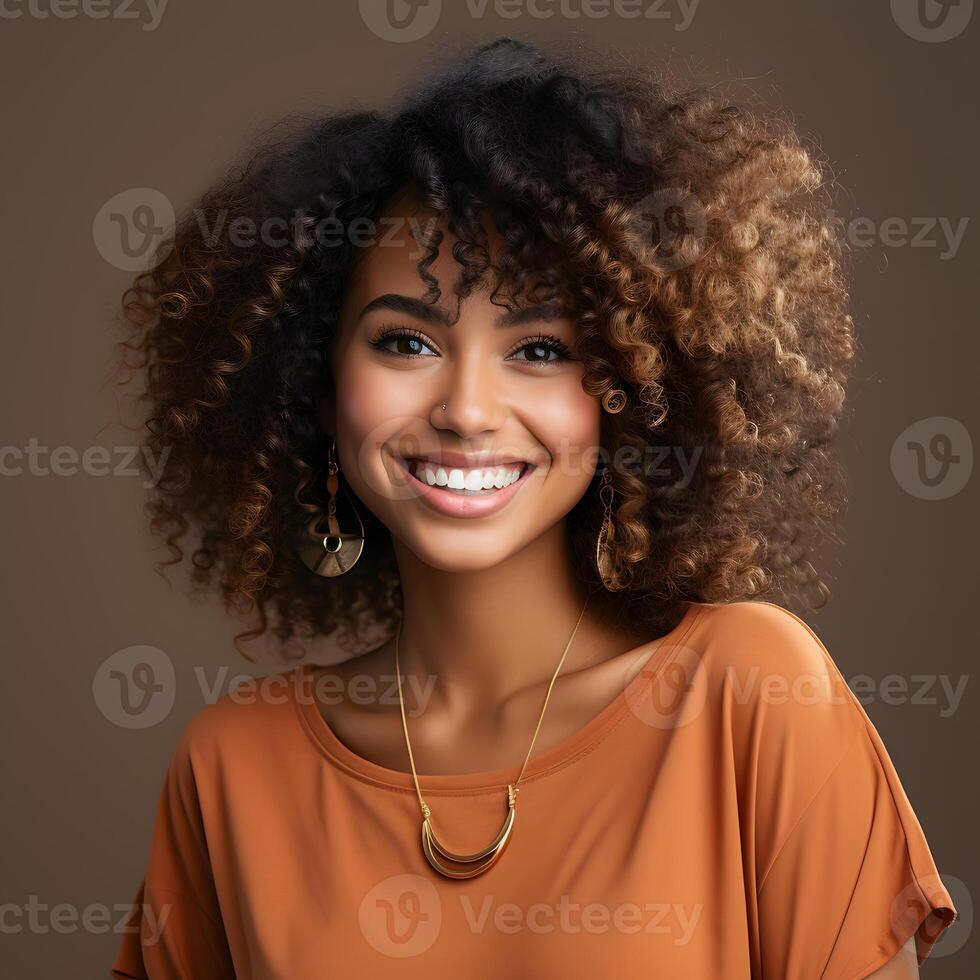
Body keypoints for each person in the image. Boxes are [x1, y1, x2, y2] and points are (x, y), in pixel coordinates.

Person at [110, 36, 957, 979]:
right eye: (405, 343)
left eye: (541, 350)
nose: (467, 409)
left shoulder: (754, 697)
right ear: (314, 384)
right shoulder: (230, 769)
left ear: (633, 390)